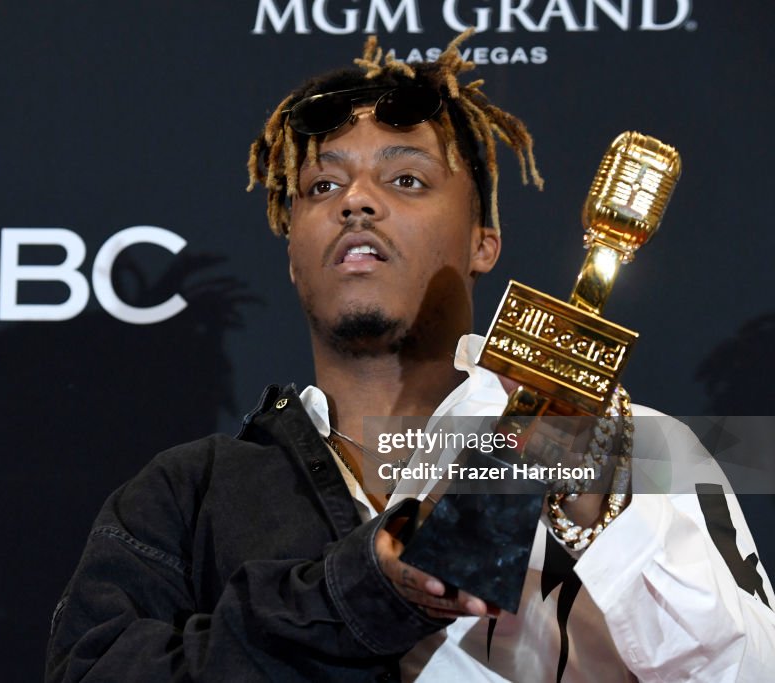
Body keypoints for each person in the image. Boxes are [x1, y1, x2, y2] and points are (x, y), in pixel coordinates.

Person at [45, 31, 775, 682]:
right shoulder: (185, 494)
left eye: (406, 180)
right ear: (293, 253)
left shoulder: (643, 450)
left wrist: (603, 513)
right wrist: (360, 593)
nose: (355, 202)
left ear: (483, 238)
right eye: (321, 186)